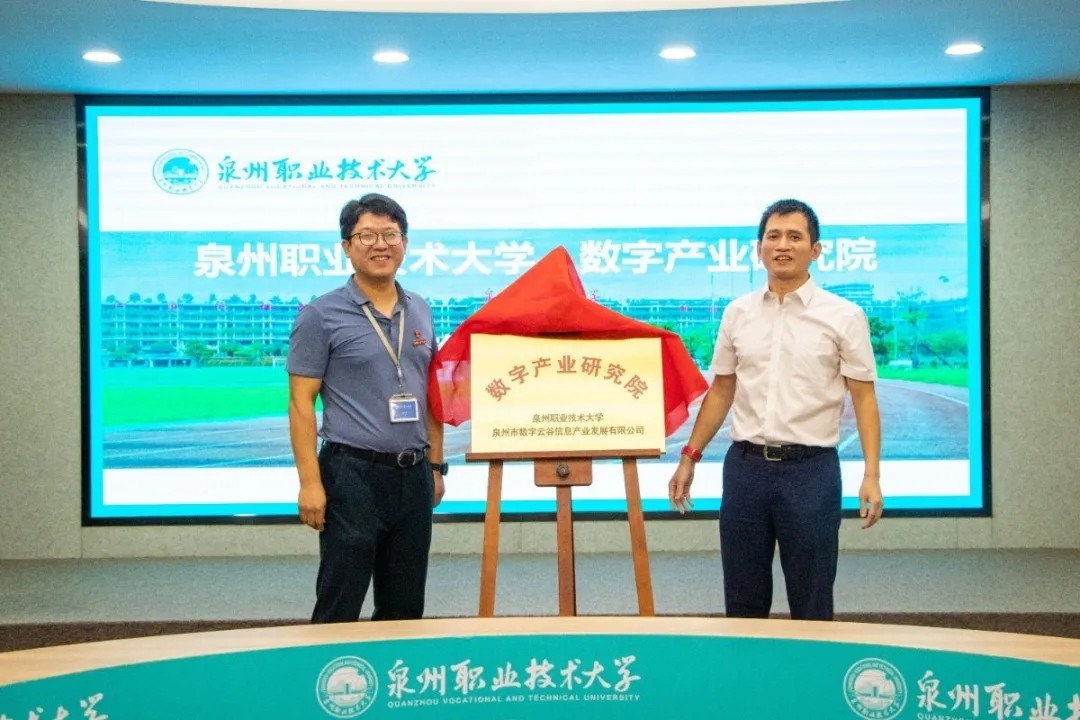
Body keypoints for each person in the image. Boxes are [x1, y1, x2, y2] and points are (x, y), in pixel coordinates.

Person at [668, 198, 883, 621]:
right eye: (774, 236)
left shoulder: (844, 316)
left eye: (795, 237)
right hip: (745, 470)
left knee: (812, 597)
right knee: (743, 598)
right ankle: (747, 666)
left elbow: (863, 398)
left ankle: (811, 666)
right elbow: (721, 390)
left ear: (815, 250)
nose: (783, 245)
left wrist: (871, 475)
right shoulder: (738, 313)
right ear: (759, 248)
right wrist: (689, 456)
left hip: (811, 472)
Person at [287, 192, 446, 624]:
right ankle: (326, 669)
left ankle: (396, 669)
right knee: (341, 599)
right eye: (367, 235)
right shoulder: (320, 315)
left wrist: (435, 467)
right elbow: (300, 403)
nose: (381, 245)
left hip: (413, 475)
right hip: (351, 475)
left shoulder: (420, 309)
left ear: (405, 243)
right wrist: (310, 484)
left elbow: (431, 395)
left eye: (391, 234)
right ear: (346, 246)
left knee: (404, 604)